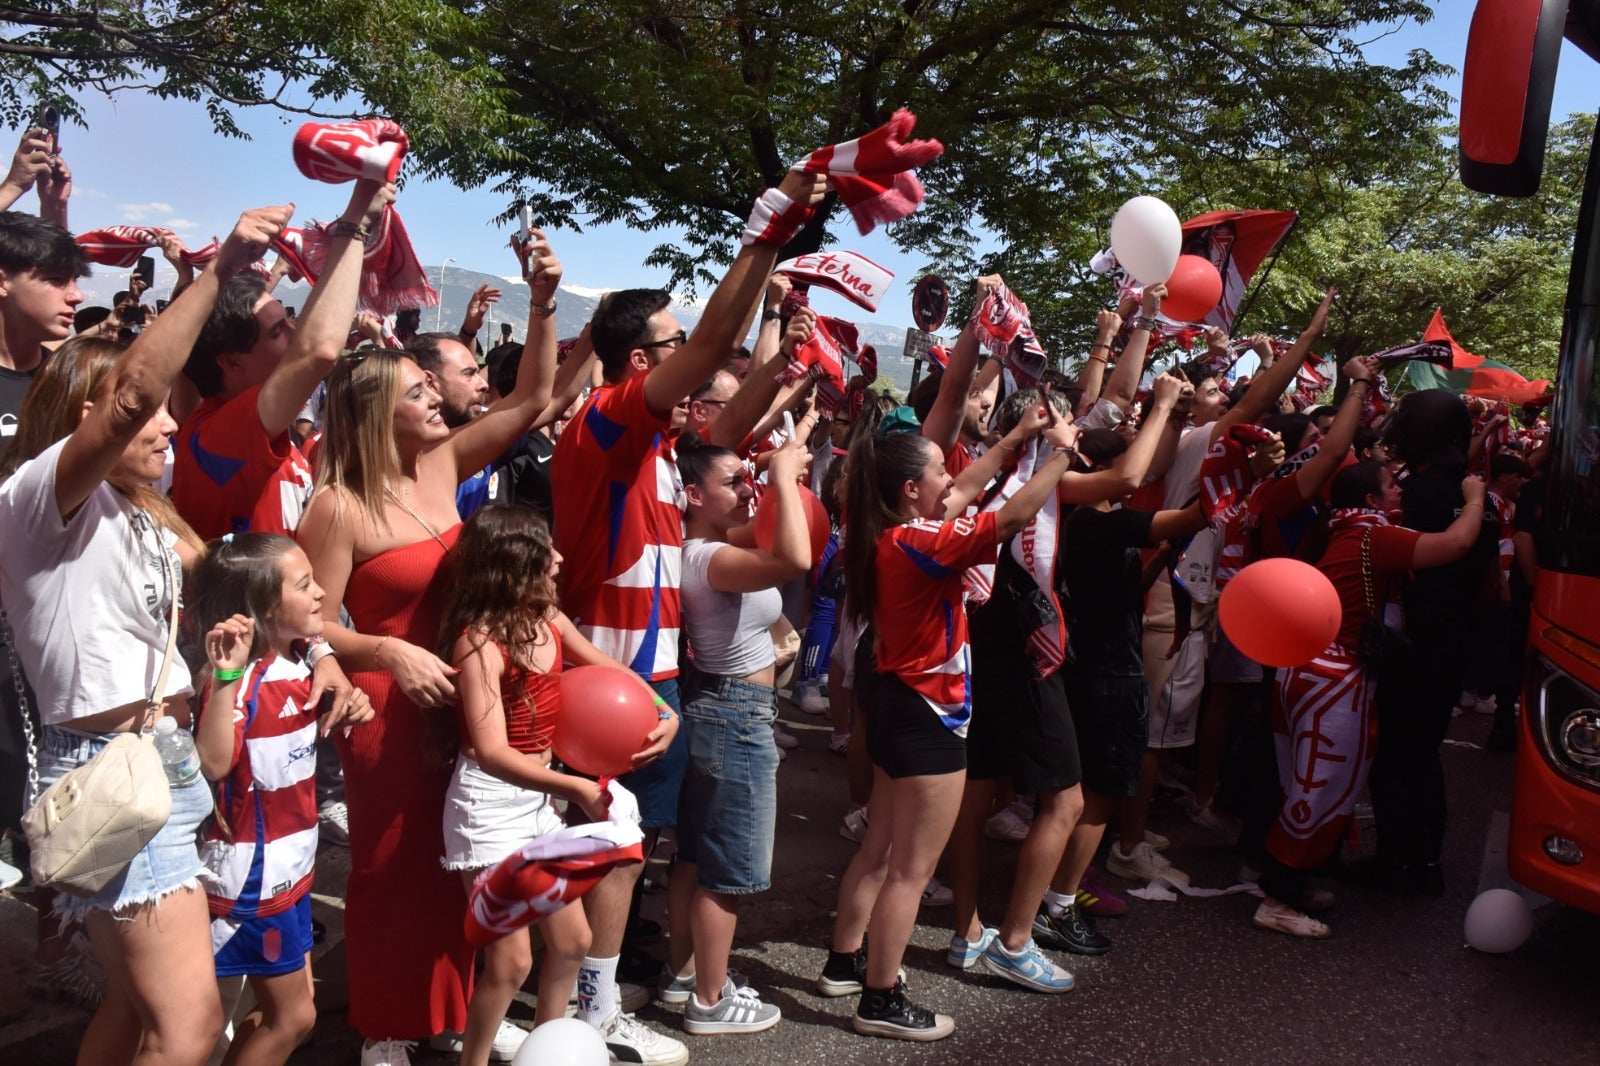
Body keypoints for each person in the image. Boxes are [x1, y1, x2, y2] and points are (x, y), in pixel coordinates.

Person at [0, 204, 290, 1066]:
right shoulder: (36, 502)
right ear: (88, 415)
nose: (167, 424)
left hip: (163, 761)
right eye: (151, 412)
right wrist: (217, 271)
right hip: (107, 772)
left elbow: (225, 587)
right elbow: (130, 397)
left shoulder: (142, 512)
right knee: (189, 1027)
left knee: (133, 1011)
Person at [548, 169, 825, 1064]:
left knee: (628, 849)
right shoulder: (604, 424)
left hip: (651, 684)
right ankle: (585, 1012)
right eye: (671, 346)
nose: (695, 359)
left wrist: (776, 307)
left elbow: (730, 414)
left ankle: (594, 999)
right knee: (605, 849)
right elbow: (708, 349)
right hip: (606, 683)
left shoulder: (663, 449)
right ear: (643, 365)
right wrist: (763, 229)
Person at [295, 229, 564, 1066]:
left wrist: (543, 302)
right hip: (388, 713)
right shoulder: (338, 505)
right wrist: (385, 651)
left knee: (463, 863)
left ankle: (449, 1010)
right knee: (392, 869)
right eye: (418, 392)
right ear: (380, 412)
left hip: (466, 702)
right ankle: (385, 1025)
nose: (438, 399)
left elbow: (534, 399)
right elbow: (305, 621)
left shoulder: (444, 464)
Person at [821, 406, 1079, 1042]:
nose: (953, 477)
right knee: (911, 869)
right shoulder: (922, 542)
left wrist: (1017, 439)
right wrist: (1061, 456)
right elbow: (1010, 519)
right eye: (940, 470)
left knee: (880, 849)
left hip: (895, 702)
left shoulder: (886, 530)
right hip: (927, 713)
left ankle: (845, 961)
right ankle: (881, 998)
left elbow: (965, 489)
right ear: (913, 489)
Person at [436, 505, 670, 1066]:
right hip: (489, 808)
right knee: (511, 961)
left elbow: (610, 672)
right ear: (513, 564)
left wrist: (665, 711)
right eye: (547, 552)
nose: (560, 560)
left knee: (572, 942)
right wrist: (577, 790)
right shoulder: (478, 644)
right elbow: (492, 752)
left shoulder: (549, 620)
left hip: (539, 800)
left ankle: (547, 1051)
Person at [1256, 461, 1487, 936]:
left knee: (1302, 783)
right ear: (1369, 500)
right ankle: (1278, 899)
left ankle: (1296, 882)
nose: (1399, 489)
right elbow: (1457, 543)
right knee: (1319, 789)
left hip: (1305, 672)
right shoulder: (1372, 534)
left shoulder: (1338, 531)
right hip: (1333, 682)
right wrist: (1475, 499)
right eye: (1390, 485)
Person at [189, 533, 375, 1066]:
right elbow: (213, 762)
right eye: (305, 585)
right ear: (268, 608)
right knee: (291, 1017)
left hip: (290, 871)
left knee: (281, 1011)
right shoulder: (239, 680)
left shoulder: (298, 661)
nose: (322, 593)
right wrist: (226, 677)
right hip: (252, 880)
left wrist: (351, 699)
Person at [663, 438, 812, 1034]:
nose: (747, 489)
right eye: (734, 482)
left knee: (695, 856)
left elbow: (779, 534)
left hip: (718, 708)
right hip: (737, 714)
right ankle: (710, 1001)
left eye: (748, 479)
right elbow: (795, 558)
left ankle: (685, 975)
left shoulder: (709, 545)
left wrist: (778, 474)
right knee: (726, 869)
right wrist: (782, 477)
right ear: (694, 495)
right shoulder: (711, 558)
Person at [173, 179, 395, 540]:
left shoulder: (230, 424)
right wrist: (355, 224)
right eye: (277, 332)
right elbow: (318, 350)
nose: (294, 334)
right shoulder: (219, 436)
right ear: (231, 363)